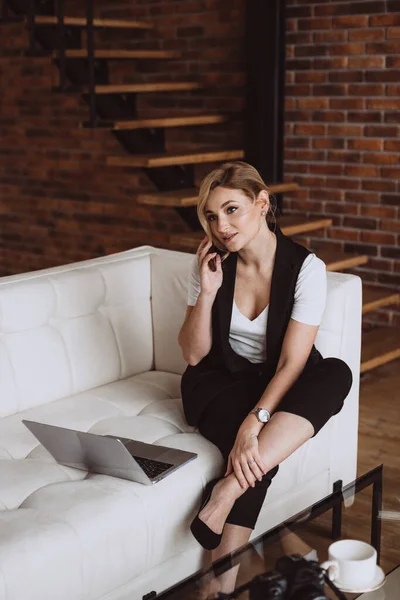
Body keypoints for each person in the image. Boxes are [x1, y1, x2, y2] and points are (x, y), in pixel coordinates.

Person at [178, 161, 353, 583]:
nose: (221, 226)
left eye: (232, 209)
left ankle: (226, 492)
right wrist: (207, 292)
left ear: (262, 204)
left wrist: (255, 422)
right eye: (212, 215)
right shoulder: (210, 264)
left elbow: (293, 362)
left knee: (337, 372)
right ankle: (221, 583)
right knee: (261, 456)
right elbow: (192, 354)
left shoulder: (305, 268)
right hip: (219, 382)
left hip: (279, 377)